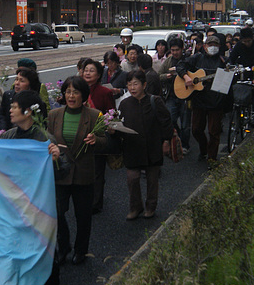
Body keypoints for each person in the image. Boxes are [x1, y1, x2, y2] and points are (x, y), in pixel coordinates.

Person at [0, 90, 61, 285]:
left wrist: (56, 159)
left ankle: (50, 282)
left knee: (41, 244)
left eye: (13, 107)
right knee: (12, 248)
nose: (10, 110)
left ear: (27, 111)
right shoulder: (9, 135)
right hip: (13, 203)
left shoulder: (43, 138)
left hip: (37, 204)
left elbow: (65, 169)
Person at [47, 76, 106, 266]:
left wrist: (97, 140)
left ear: (84, 95)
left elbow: (108, 142)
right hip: (60, 173)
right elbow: (47, 140)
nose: (71, 96)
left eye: (76, 92)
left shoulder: (94, 115)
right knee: (56, 213)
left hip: (83, 174)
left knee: (83, 216)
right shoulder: (54, 115)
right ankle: (64, 246)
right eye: (68, 92)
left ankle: (81, 250)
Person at [115, 70, 174, 219]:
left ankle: (150, 206)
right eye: (129, 84)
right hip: (132, 148)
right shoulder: (124, 104)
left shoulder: (155, 101)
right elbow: (119, 124)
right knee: (132, 178)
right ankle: (135, 207)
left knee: (152, 179)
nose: (132, 88)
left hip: (152, 146)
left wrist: (166, 140)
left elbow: (166, 122)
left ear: (144, 85)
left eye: (136, 84)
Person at [176, 35, 228, 163]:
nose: (212, 48)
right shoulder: (197, 58)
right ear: (204, 46)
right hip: (198, 100)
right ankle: (204, 149)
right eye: (210, 45)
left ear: (219, 47)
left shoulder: (224, 61)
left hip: (216, 101)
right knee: (196, 130)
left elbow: (228, 82)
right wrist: (187, 77)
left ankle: (212, 158)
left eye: (215, 45)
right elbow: (180, 65)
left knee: (213, 132)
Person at [82, 59, 115, 214]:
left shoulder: (105, 92)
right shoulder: (77, 90)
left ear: (99, 74)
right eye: (85, 70)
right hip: (80, 136)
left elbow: (111, 114)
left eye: (91, 70)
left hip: (98, 136)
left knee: (97, 172)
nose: (87, 73)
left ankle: (95, 202)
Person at [228, 28, 254, 124]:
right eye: (244, 41)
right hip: (243, 71)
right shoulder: (239, 46)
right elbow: (232, 58)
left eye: (248, 41)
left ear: (252, 38)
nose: (246, 43)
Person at [158, 38, 191, 154]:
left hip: (186, 96)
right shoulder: (168, 61)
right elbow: (158, 75)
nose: (175, 53)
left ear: (182, 49)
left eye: (177, 50)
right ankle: (178, 138)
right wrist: (166, 76)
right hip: (171, 96)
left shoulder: (188, 60)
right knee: (170, 119)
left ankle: (185, 145)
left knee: (186, 123)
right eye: (172, 50)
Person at [0, 66, 43, 133]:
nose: (17, 83)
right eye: (16, 79)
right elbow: (2, 115)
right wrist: (3, 130)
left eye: (22, 81)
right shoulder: (8, 96)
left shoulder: (36, 102)